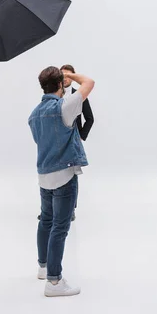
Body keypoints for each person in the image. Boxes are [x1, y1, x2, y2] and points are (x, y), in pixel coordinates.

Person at [28, 66, 95, 297]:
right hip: (64, 175)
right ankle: (54, 283)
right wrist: (72, 76)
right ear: (60, 85)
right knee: (60, 227)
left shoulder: (34, 115)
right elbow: (89, 82)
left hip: (43, 175)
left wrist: (61, 77)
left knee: (45, 220)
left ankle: (43, 267)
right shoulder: (65, 107)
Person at [37, 64, 94, 221]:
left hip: (71, 139)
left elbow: (90, 118)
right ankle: (48, 209)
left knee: (71, 173)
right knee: (52, 169)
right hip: (54, 140)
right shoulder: (55, 96)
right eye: (63, 76)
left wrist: (81, 136)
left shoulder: (78, 95)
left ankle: (70, 208)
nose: (66, 78)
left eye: (69, 75)